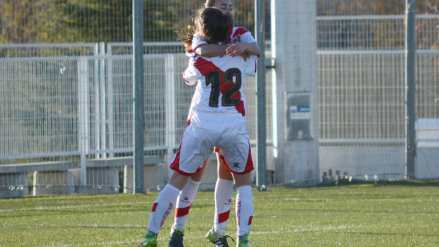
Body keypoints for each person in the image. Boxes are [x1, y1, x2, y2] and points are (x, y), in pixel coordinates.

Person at [136, 8, 256, 247]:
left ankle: (151, 236)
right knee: (244, 185)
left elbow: (188, 77)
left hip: (202, 126)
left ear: (203, 31)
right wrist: (238, 49)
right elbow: (253, 61)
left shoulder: (198, 58)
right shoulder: (244, 56)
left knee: (176, 182)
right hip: (233, 126)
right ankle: (243, 241)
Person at [169, 1, 260, 247]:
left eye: (231, 5)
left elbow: (255, 50)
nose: (228, 8)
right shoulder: (202, 35)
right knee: (193, 175)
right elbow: (193, 66)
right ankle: (178, 230)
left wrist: (242, 47)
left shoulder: (240, 33)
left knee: (227, 172)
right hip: (205, 117)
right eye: (222, 4)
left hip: (230, 118)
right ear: (210, 8)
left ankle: (218, 233)